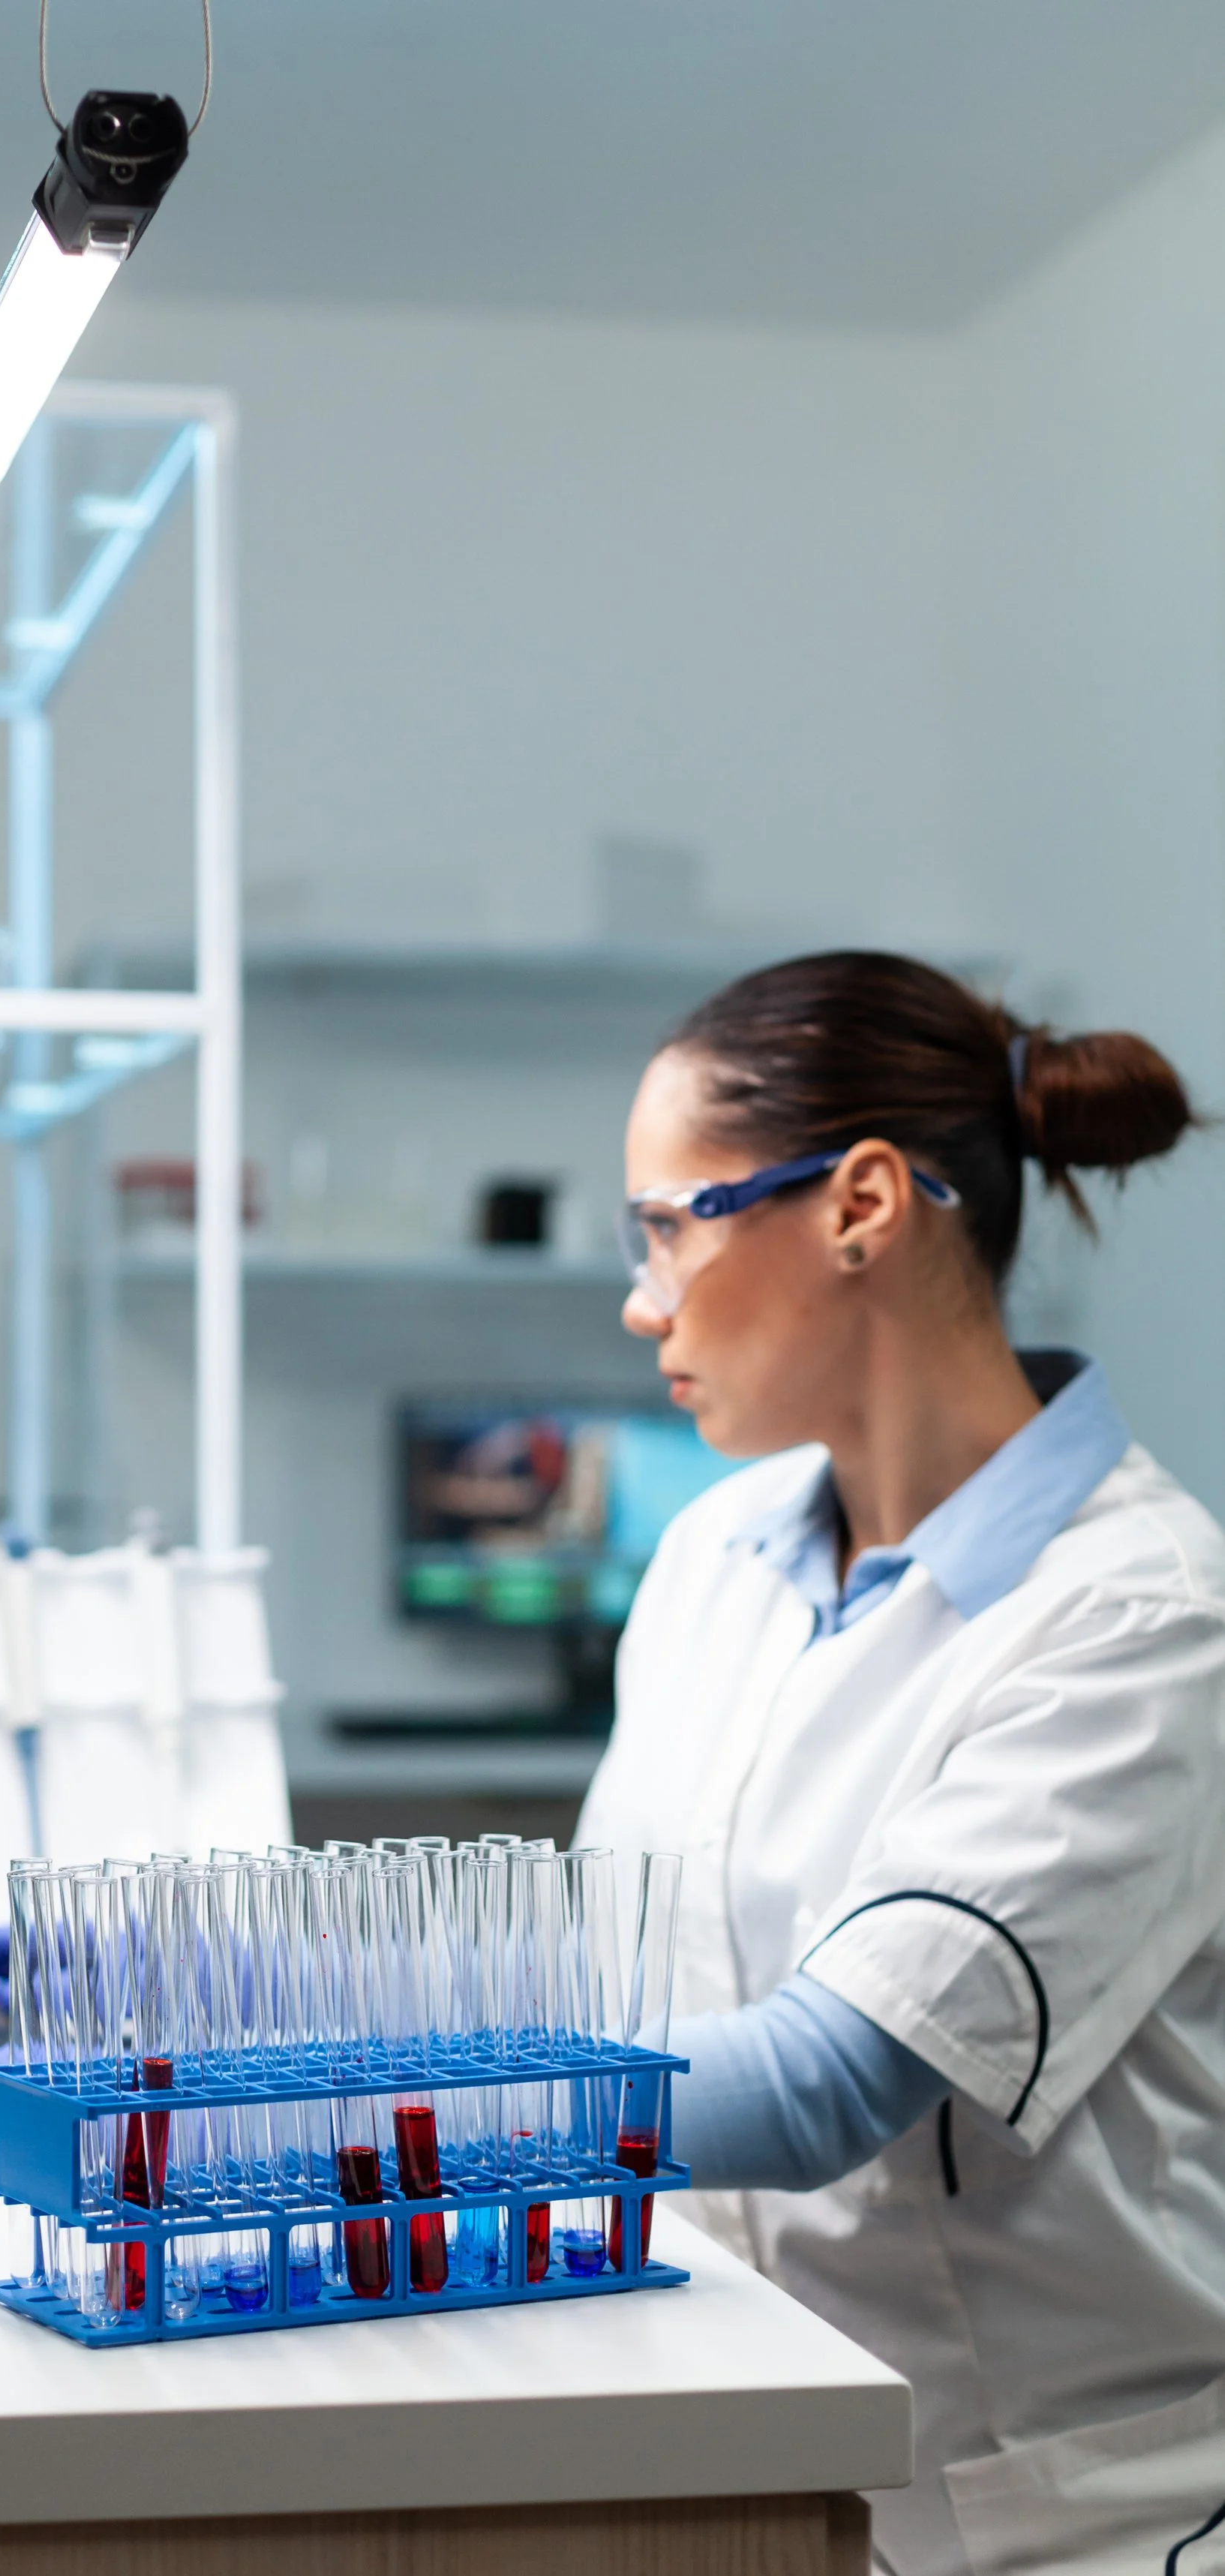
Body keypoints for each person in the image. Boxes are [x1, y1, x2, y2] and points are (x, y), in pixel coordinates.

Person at [572, 951, 1225, 2576]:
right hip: (744, 2452)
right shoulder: (715, 1553)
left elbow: (817, 2087)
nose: (642, 1298)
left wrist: (321, 2097)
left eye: (669, 1224)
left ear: (858, 1204)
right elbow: (615, 1987)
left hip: (1039, 2521)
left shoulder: (1142, 1618)